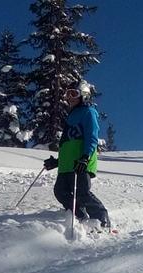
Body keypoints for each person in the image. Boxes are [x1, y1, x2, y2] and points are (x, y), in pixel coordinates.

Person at [43, 81, 112, 229]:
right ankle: (80, 216)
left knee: (82, 192)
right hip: (66, 164)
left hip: (81, 162)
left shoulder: (89, 112)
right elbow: (69, 144)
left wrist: (85, 157)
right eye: (67, 94)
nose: (70, 98)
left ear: (84, 95)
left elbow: (91, 136)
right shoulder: (71, 116)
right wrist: (57, 162)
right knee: (60, 191)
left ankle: (102, 220)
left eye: (73, 93)